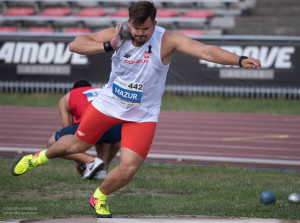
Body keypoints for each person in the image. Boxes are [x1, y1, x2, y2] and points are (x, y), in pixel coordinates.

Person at [11, 1, 261, 219]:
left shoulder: (167, 40)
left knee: (129, 168)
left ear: (155, 23)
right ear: (129, 22)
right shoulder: (118, 33)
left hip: (143, 114)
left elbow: (206, 51)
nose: (140, 34)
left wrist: (239, 60)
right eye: (136, 28)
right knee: (77, 146)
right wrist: (109, 46)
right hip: (109, 104)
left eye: (145, 29)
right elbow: (76, 45)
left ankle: (99, 197)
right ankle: (38, 158)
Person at [47, 80, 122, 180]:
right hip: (117, 126)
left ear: (74, 89)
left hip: (93, 123)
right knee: (103, 137)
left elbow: (66, 138)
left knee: (53, 144)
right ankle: (101, 170)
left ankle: (91, 161)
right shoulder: (102, 90)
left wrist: (81, 160)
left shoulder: (68, 96)